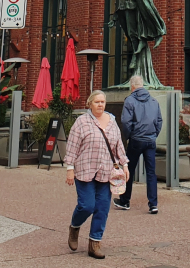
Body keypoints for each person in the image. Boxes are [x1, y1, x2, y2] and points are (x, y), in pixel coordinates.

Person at [65, 90, 129, 260]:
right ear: (90, 104)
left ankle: (95, 243)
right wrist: (70, 168)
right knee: (86, 205)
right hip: (85, 170)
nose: (100, 105)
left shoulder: (112, 122)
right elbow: (72, 147)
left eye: (103, 102)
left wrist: (125, 164)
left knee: (102, 208)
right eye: (97, 102)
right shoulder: (82, 122)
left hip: (106, 172)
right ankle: (75, 227)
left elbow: (118, 146)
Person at [115, 75, 162, 214]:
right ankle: (153, 204)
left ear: (132, 87)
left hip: (136, 140)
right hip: (150, 141)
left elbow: (125, 122)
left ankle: (125, 201)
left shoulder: (129, 100)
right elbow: (159, 121)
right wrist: (154, 135)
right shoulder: (154, 101)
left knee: (128, 169)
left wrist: (129, 136)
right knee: (151, 173)